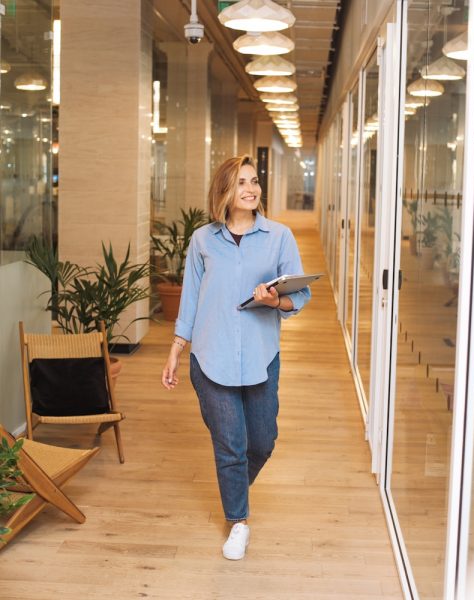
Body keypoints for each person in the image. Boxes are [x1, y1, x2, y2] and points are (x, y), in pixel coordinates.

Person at [161, 155, 311, 560]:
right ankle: (238, 521)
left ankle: (234, 491)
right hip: (211, 357)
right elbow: (190, 298)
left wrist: (275, 299)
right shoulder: (202, 240)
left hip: (262, 357)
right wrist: (176, 350)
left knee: (261, 443)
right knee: (230, 445)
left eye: (254, 181)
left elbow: (300, 295)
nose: (251, 188)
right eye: (241, 182)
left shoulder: (279, 236)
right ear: (224, 191)